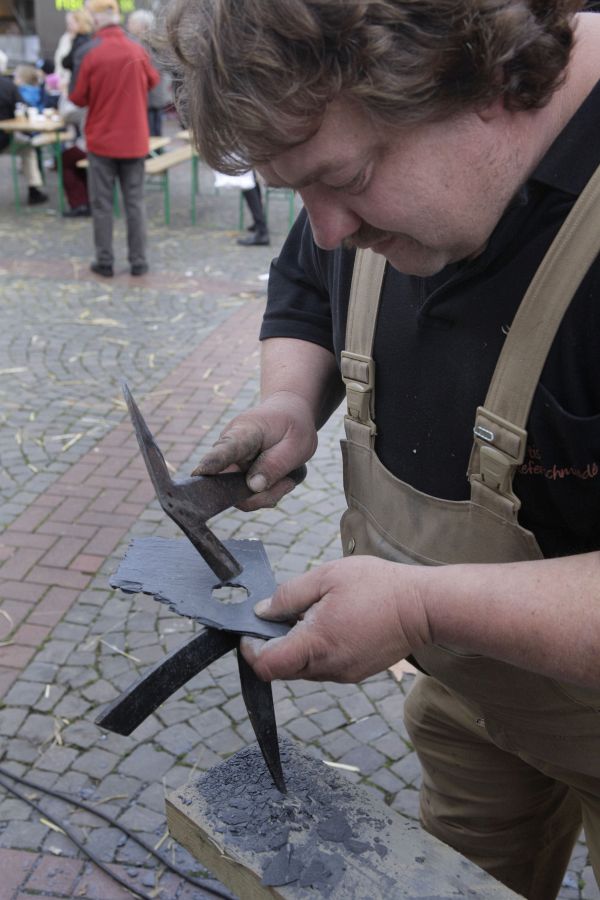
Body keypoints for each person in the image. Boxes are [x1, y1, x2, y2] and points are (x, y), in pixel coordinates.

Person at [164, 2, 600, 898]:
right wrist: (290, 399)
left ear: (487, 82)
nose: (328, 228)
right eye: (297, 192)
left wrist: (420, 606)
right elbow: (306, 278)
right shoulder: (348, 166)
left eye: (347, 178)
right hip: (471, 698)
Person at [69, 0, 159, 277]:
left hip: (102, 140)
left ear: (97, 19)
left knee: (102, 204)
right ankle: (138, 261)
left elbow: (77, 97)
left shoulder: (89, 52)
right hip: (134, 139)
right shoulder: (136, 49)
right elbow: (153, 81)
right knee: (135, 203)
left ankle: (105, 260)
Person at [0, 53, 47, 205]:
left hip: (5, 137)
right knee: (28, 150)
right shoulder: (8, 86)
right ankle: (34, 190)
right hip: (4, 139)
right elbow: (23, 108)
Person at [127, 9, 172, 138]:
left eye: (132, 22)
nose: (128, 25)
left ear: (142, 25)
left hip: (150, 94)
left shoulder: (146, 44)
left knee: (151, 133)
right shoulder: (155, 41)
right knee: (155, 131)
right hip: (154, 93)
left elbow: (152, 70)